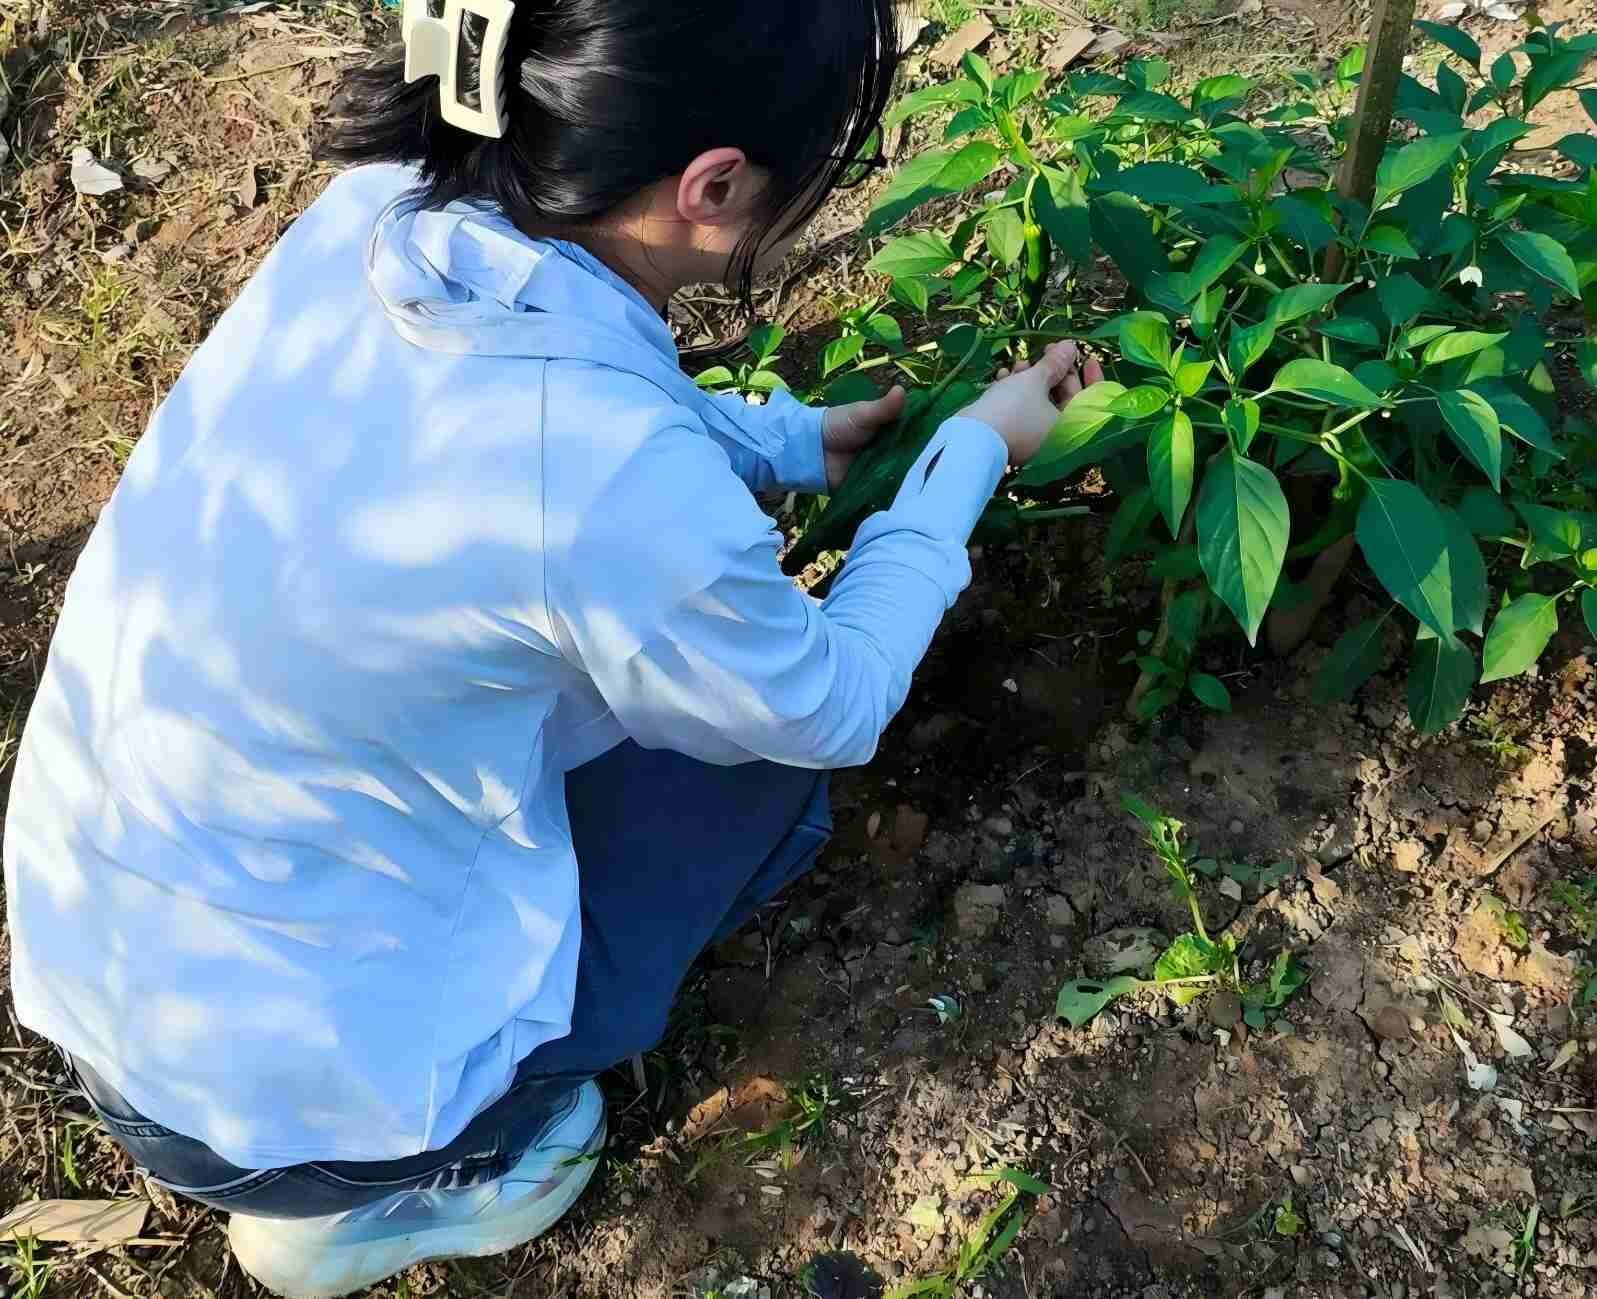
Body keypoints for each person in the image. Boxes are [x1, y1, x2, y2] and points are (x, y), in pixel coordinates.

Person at [1, 0, 1103, 1294]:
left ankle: (337, 1159)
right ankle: (431, 1176)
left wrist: (785, 442)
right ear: (714, 184)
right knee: (750, 765)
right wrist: (971, 451)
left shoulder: (394, 204)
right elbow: (830, 700)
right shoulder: (596, 475)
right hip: (289, 1104)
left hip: (123, 977)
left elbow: (578, 404)